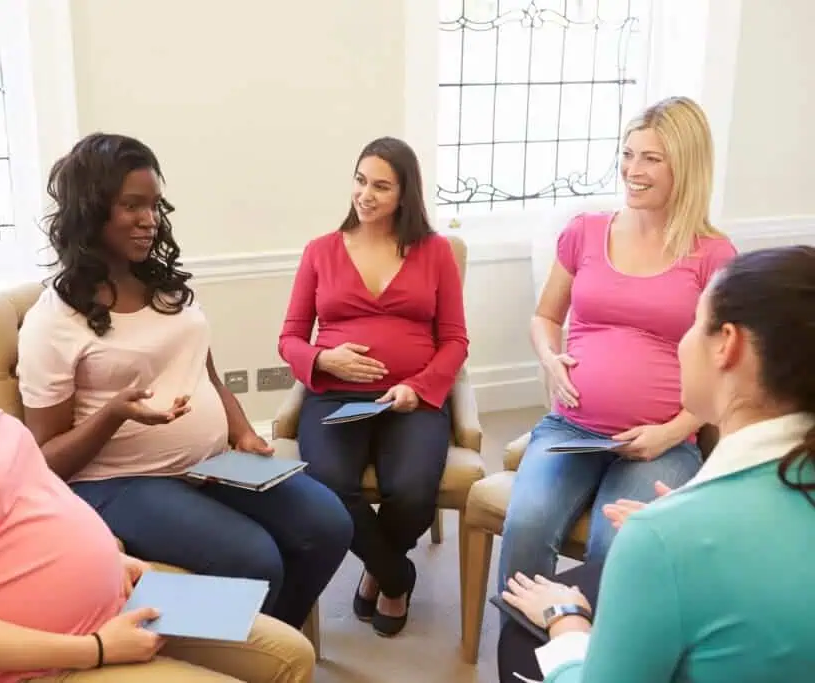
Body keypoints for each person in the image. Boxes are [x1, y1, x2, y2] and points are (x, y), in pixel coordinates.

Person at [0, 207, 315, 683]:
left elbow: (28, 491)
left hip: (117, 597)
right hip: (47, 660)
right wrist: (97, 648)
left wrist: (110, 560)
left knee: (292, 654)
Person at [16, 133, 352, 632]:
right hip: (117, 483)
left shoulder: (168, 289)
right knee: (254, 559)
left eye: (153, 205)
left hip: (209, 463)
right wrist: (114, 413)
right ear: (91, 210)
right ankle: (238, 649)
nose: (149, 219)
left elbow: (207, 374)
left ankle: (268, 649)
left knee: (329, 524)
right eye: (131, 205)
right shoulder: (54, 320)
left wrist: (241, 431)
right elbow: (43, 462)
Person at [497, 245, 815, 682]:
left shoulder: (664, 540)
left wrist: (566, 621)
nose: (682, 344)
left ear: (727, 344)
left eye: (693, 325)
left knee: (519, 643)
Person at [497, 96, 739, 593]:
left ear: (686, 166)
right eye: (628, 154)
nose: (633, 169)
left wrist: (673, 432)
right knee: (525, 528)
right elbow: (545, 317)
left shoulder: (714, 255)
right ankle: (528, 665)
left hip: (658, 443)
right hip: (571, 428)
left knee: (620, 547)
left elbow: (728, 371)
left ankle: (595, 660)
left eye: (651, 158)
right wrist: (549, 357)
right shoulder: (584, 232)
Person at [278, 136, 469, 637]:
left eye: (381, 186)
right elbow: (290, 339)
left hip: (411, 399)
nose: (365, 195)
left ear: (405, 195)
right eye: (361, 181)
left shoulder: (436, 253)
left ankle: (379, 569)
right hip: (336, 396)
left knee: (410, 491)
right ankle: (395, 574)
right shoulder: (320, 251)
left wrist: (420, 387)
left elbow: (454, 341)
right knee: (327, 489)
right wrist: (325, 358)